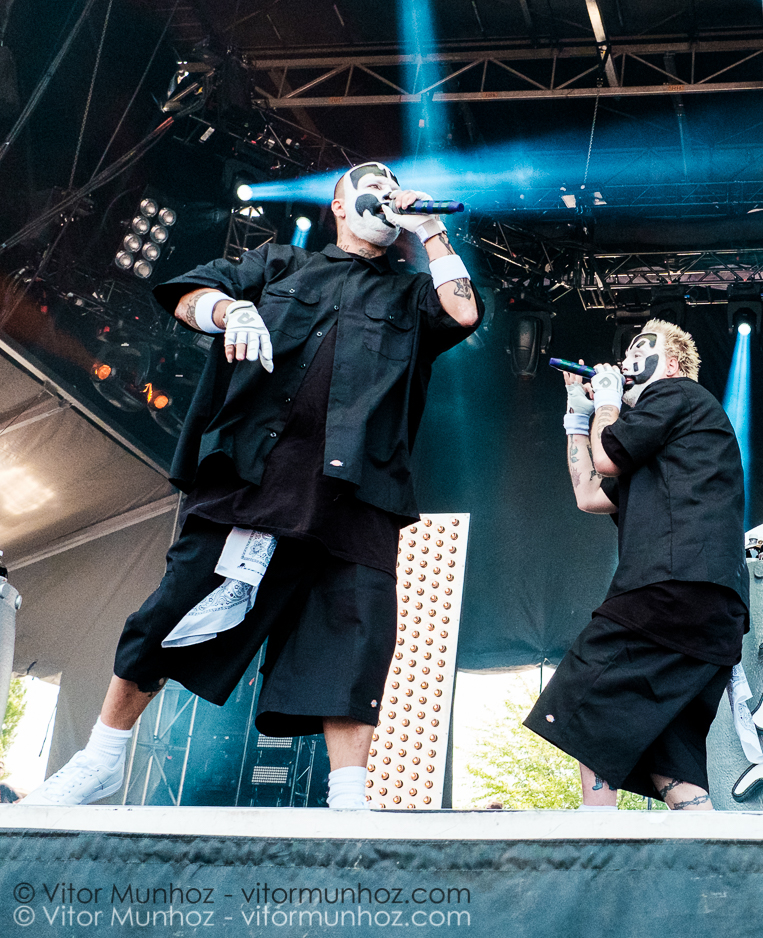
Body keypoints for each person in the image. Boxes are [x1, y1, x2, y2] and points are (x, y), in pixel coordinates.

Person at [21, 161, 481, 809]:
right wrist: (228, 309)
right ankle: (102, 757)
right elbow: (189, 293)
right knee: (173, 605)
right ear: (340, 207)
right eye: (368, 184)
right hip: (256, 474)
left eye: (390, 182)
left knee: (356, 632)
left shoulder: (407, 294)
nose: (383, 189)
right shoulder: (281, 265)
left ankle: (349, 796)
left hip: (361, 490)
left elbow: (462, 313)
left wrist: (430, 231)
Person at [524, 321, 748, 811]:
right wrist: (575, 419)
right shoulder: (661, 441)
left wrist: (605, 402)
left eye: (639, 351)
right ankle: (713, 866)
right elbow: (588, 495)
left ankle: (597, 832)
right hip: (708, 611)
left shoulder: (677, 394)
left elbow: (606, 458)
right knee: (670, 757)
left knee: (584, 693)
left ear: (670, 365)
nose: (626, 361)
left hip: (673, 587)